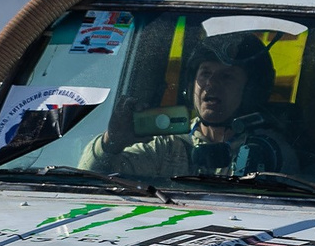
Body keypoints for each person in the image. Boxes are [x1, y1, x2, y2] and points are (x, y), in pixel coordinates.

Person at [80, 32, 298, 180]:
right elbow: (89, 179)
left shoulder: (270, 152)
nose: (211, 84)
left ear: (252, 90)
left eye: (227, 76)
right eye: (205, 74)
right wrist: (111, 142)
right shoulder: (167, 146)